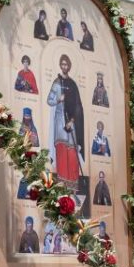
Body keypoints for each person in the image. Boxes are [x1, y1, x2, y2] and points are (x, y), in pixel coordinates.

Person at [46, 54, 84, 183]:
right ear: (60, 66)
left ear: (69, 66)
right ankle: (62, 180)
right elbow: (49, 100)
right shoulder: (56, 83)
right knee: (62, 148)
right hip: (59, 120)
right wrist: (58, 99)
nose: (64, 66)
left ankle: (72, 181)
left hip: (70, 121)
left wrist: (72, 120)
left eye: (66, 64)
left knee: (72, 150)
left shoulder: (72, 84)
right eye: (62, 64)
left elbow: (77, 105)